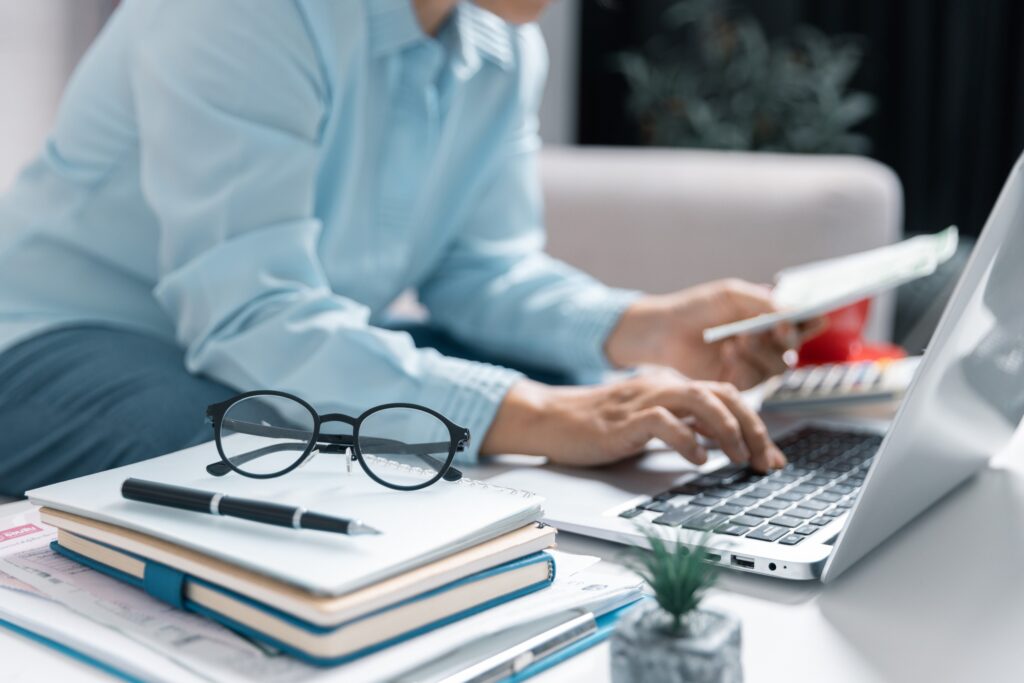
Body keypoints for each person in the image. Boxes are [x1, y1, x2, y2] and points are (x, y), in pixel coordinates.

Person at [0, 0, 819, 497]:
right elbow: (253, 315)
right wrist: (533, 414)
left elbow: (477, 267)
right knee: (257, 448)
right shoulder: (244, 13)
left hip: (247, 340)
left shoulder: (501, 51)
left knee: (576, 390)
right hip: (50, 343)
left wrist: (641, 326)